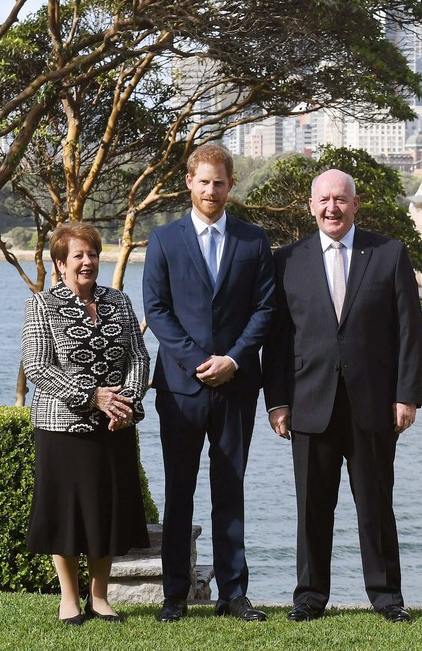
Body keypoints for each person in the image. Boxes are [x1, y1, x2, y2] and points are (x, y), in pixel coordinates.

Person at [263, 169, 422, 623]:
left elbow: (410, 332)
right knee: (312, 508)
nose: (332, 207)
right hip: (307, 403)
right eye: (324, 200)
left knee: (376, 507)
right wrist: (276, 401)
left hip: (374, 404)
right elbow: (275, 340)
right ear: (311, 206)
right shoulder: (287, 260)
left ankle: (387, 597)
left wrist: (406, 396)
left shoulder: (389, 254)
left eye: (341, 199)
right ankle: (310, 597)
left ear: (356, 205)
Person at [143, 144, 275, 623]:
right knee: (179, 493)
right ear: (189, 183)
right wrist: (202, 362)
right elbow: (157, 311)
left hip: (236, 388)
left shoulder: (253, 240)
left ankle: (233, 594)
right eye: (204, 182)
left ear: (230, 185)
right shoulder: (163, 241)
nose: (212, 190)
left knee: (231, 491)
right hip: (180, 390)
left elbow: (265, 310)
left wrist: (234, 361)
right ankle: (174, 595)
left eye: (220, 182)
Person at [21, 222, 151, 626]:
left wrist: (125, 403)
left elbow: (139, 358)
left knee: (105, 512)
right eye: (77, 255)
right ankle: (69, 599)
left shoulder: (119, 302)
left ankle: (100, 598)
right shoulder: (41, 306)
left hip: (115, 426)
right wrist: (95, 397)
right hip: (62, 428)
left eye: (92, 254)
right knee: (67, 514)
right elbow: (38, 367)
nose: (87, 262)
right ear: (60, 264)